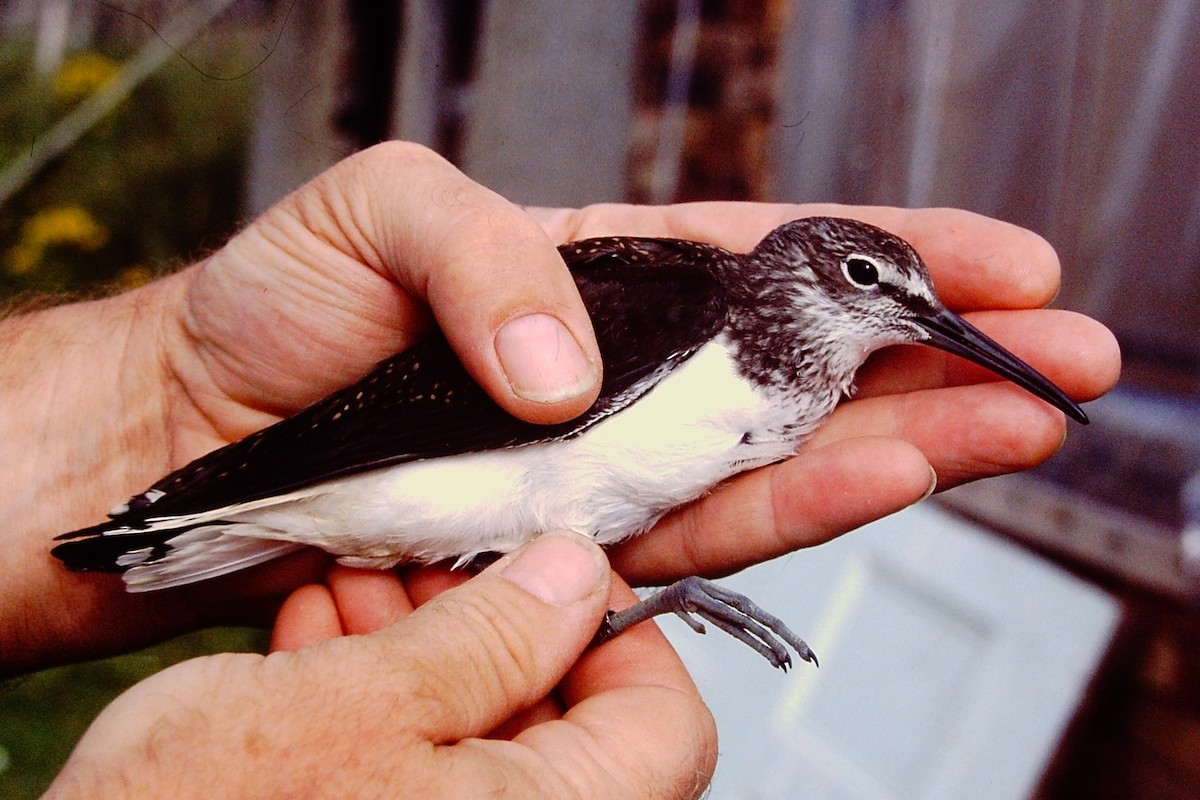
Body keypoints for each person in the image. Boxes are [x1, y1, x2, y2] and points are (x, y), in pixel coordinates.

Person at [3, 142, 1119, 798]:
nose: (915, 322)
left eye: (915, 309)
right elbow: (472, 456)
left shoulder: (791, 389)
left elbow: (547, 534)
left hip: (473, 510)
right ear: (811, 276)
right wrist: (181, 417)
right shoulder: (687, 306)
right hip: (415, 479)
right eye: (877, 282)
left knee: (563, 576)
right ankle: (159, 516)